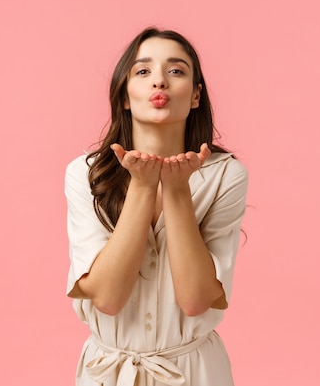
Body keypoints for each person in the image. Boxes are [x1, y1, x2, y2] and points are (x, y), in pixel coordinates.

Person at [65, 27, 248, 386]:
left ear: (195, 96)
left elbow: (196, 300)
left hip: (193, 373)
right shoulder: (85, 173)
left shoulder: (226, 175)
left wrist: (177, 191)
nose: (159, 82)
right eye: (143, 71)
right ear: (125, 97)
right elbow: (107, 297)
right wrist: (144, 185)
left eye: (176, 71)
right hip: (107, 374)